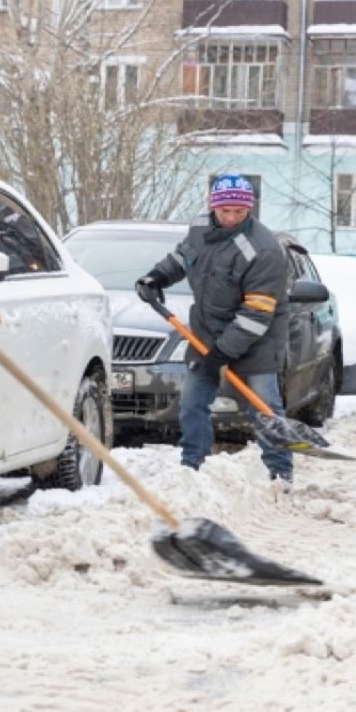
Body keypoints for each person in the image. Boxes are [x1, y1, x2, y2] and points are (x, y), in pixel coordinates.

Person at [135, 174, 294, 490]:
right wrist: (156, 278)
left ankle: (280, 474)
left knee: (265, 407)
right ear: (213, 206)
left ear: (249, 209)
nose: (232, 217)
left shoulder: (264, 250)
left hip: (257, 340)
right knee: (192, 402)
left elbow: (256, 313)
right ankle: (191, 469)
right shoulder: (200, 230)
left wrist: (223, 353)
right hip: (206, 333)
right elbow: (183, 257)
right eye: (226, 211)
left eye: (239, 211)